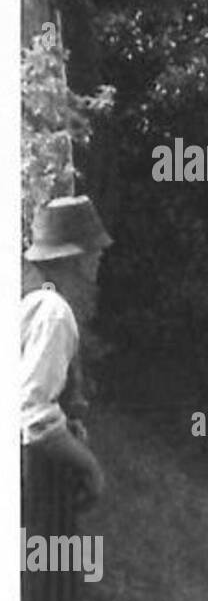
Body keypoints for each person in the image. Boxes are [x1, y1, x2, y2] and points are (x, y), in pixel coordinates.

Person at [22, 195, 111, 508]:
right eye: (94, 253)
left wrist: (67, 428)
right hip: (33, 489)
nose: (98, 261)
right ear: (76, 259)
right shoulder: (53, 311)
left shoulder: (33, 303)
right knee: (44, 558)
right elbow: (34, 415)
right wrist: (89, 465)